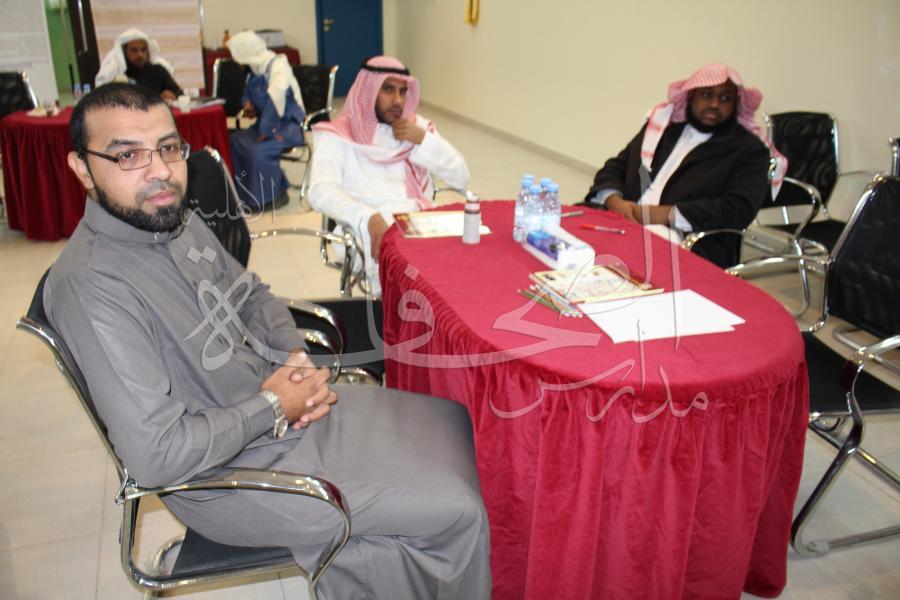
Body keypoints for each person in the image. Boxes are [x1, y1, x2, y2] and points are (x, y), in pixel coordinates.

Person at [45, 83, 491, 599]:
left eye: (168, 148)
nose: (160, 171)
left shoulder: (173, 222)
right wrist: (275, 405)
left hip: (274, 413)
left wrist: (293, 358)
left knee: (447, 419)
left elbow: (252, 295)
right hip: (229, 479)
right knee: (457, 511)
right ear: (82, 168)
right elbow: (158, 456)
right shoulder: (93, 286)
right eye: (128, 155)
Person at [584, 63, 786, 268]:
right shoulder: (663, 127)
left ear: (736, 104)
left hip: (685, 239)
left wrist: (667, 214)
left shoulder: (748, 149)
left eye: (725, 98)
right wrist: (614, 201)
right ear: (690, 96)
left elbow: (738, 209)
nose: (715, 104)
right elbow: (617, 165)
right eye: (706, 95)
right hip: (622, 219)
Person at [309, 55, 470, 296]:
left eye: (403, 91)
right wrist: (367, 217)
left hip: (417, 220)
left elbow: (461, 176)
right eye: (388, 90)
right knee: (410, 277)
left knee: (468, 255)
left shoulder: (415, 128)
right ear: (368, 90)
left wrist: (423, 140)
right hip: (363, 226)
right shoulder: (336, 135)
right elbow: (320, 191)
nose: (398, 100)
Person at [227, 31, 305, 211]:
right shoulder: (255, 68)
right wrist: (247, 103)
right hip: (265, 122)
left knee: (258, 150)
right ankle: (246, 195)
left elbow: (275, 101)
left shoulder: (278, 67)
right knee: (235, 141)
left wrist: (265, 130)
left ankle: (272, 197)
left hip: (287, 126)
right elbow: (248, 92)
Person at [95, 29, 182, 102]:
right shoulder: (116, 74)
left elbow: (179, 93)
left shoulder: (158, 70)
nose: (140, 54)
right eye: (134, 50)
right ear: (125, 52)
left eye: (143, 49)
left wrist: (172, 94)